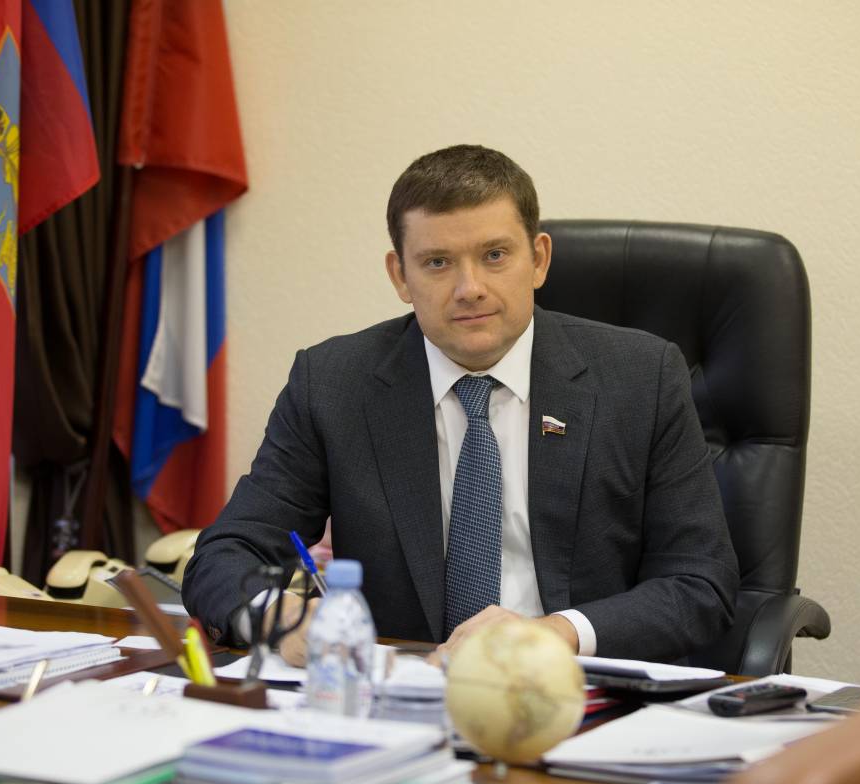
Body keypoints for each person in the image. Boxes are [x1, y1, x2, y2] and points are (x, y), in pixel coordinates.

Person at [182, 144, 738, 665]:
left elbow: (700, 584)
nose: (469, 287)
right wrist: (276, 617)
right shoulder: (333, 384)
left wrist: (558, 632)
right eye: (437, 262)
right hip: (399, 695)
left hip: (572, 692)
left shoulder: (641, 378)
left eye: (494, 255)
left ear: (538, 259)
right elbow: (225, 554)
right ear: (400, 275)